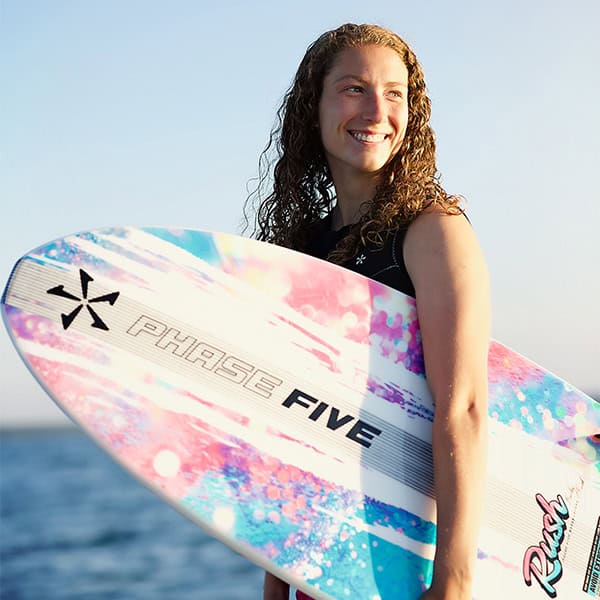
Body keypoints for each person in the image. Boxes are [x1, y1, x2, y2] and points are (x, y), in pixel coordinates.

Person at [245, 23, 490, 600]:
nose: (377, 109)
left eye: (395, 92)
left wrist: (453, 580)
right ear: (315, 107)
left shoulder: (433, 231)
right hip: (325, 553)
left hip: (415, 557)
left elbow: (464, 406)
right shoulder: (302, 249)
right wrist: (278, 583)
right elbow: (296, 422)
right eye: (354, 88)